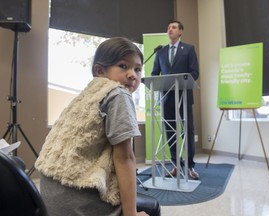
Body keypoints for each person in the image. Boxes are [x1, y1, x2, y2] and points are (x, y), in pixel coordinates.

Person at [35, 37, 150, 216]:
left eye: (137, 69)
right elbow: (125, 158)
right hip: (76, 202)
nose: (132, 74)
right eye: (123, 66)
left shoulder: (86, 95)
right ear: (100, 70)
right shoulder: (119, 94)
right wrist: (131, 214)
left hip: (50, 200)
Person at [151, 20, 200, 180]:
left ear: (180, 32)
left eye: (173, 27)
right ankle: (176, 165)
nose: (170, 30)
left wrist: (183, 80)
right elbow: (154, 74)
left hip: (184, 96)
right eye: (168, 28)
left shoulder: (189, 49)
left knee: (188, 131)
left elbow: (194, 72)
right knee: (170, 131)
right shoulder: (160, 52)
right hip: (166, 97)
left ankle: (190, 166)